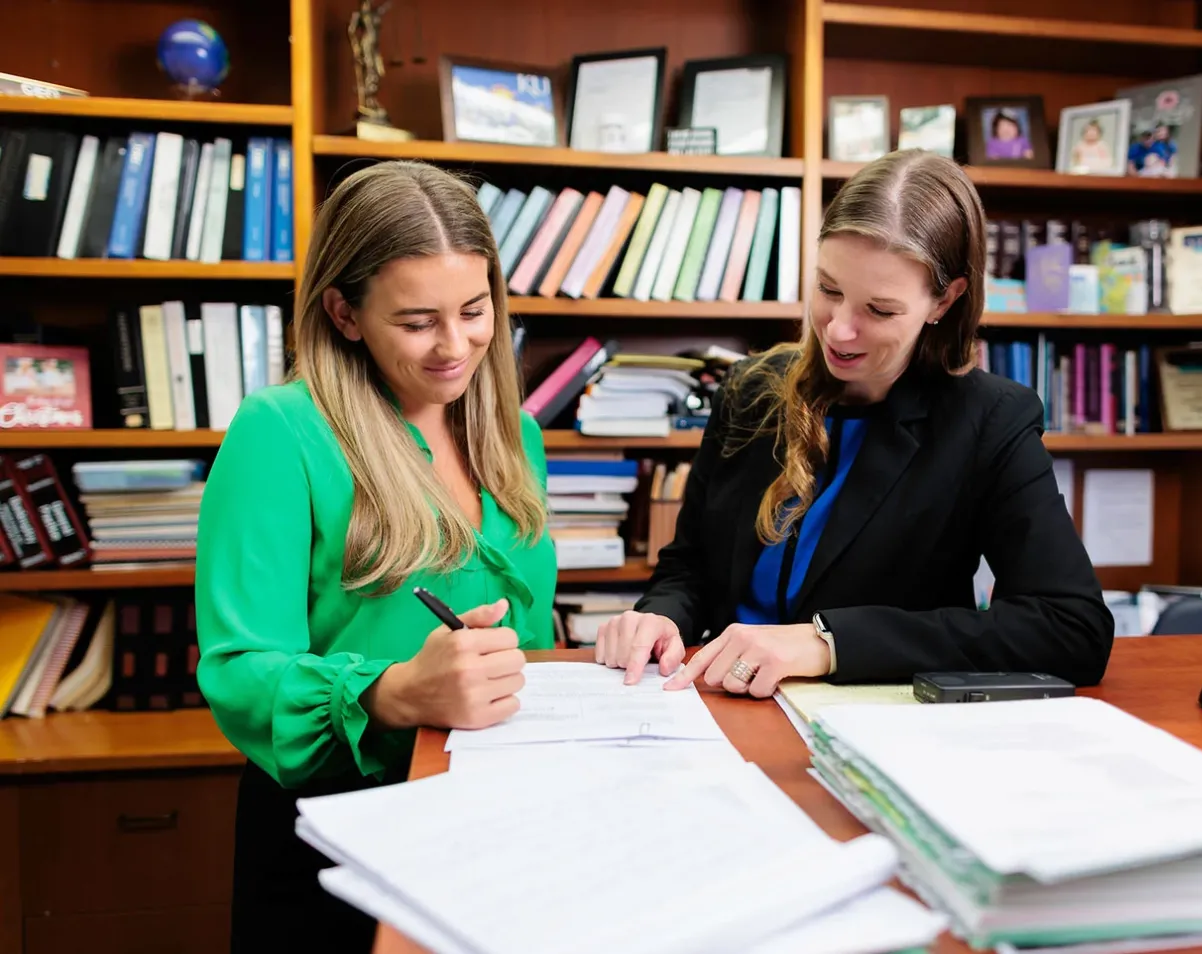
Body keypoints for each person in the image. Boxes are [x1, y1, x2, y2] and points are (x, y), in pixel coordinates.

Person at [195, 160, 557, 954]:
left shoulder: (513, 434)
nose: (455, 347)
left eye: (474, 309)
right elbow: (238, 666)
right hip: (337, 829)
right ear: (344, 312)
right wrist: (393, 692)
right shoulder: (279, 431)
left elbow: (528, 631)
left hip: (493, 808)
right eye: (418, 321)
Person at [596, 149, 1114, 696]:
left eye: (880, 310)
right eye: (829, 290)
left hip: (872, 721)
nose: (839, 330)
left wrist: (828, 643)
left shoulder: (989, 420)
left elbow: (1072, 628)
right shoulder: (749, 389)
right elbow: (689, 566)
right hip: (720, 703)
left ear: (945, 299)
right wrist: (661, 619)